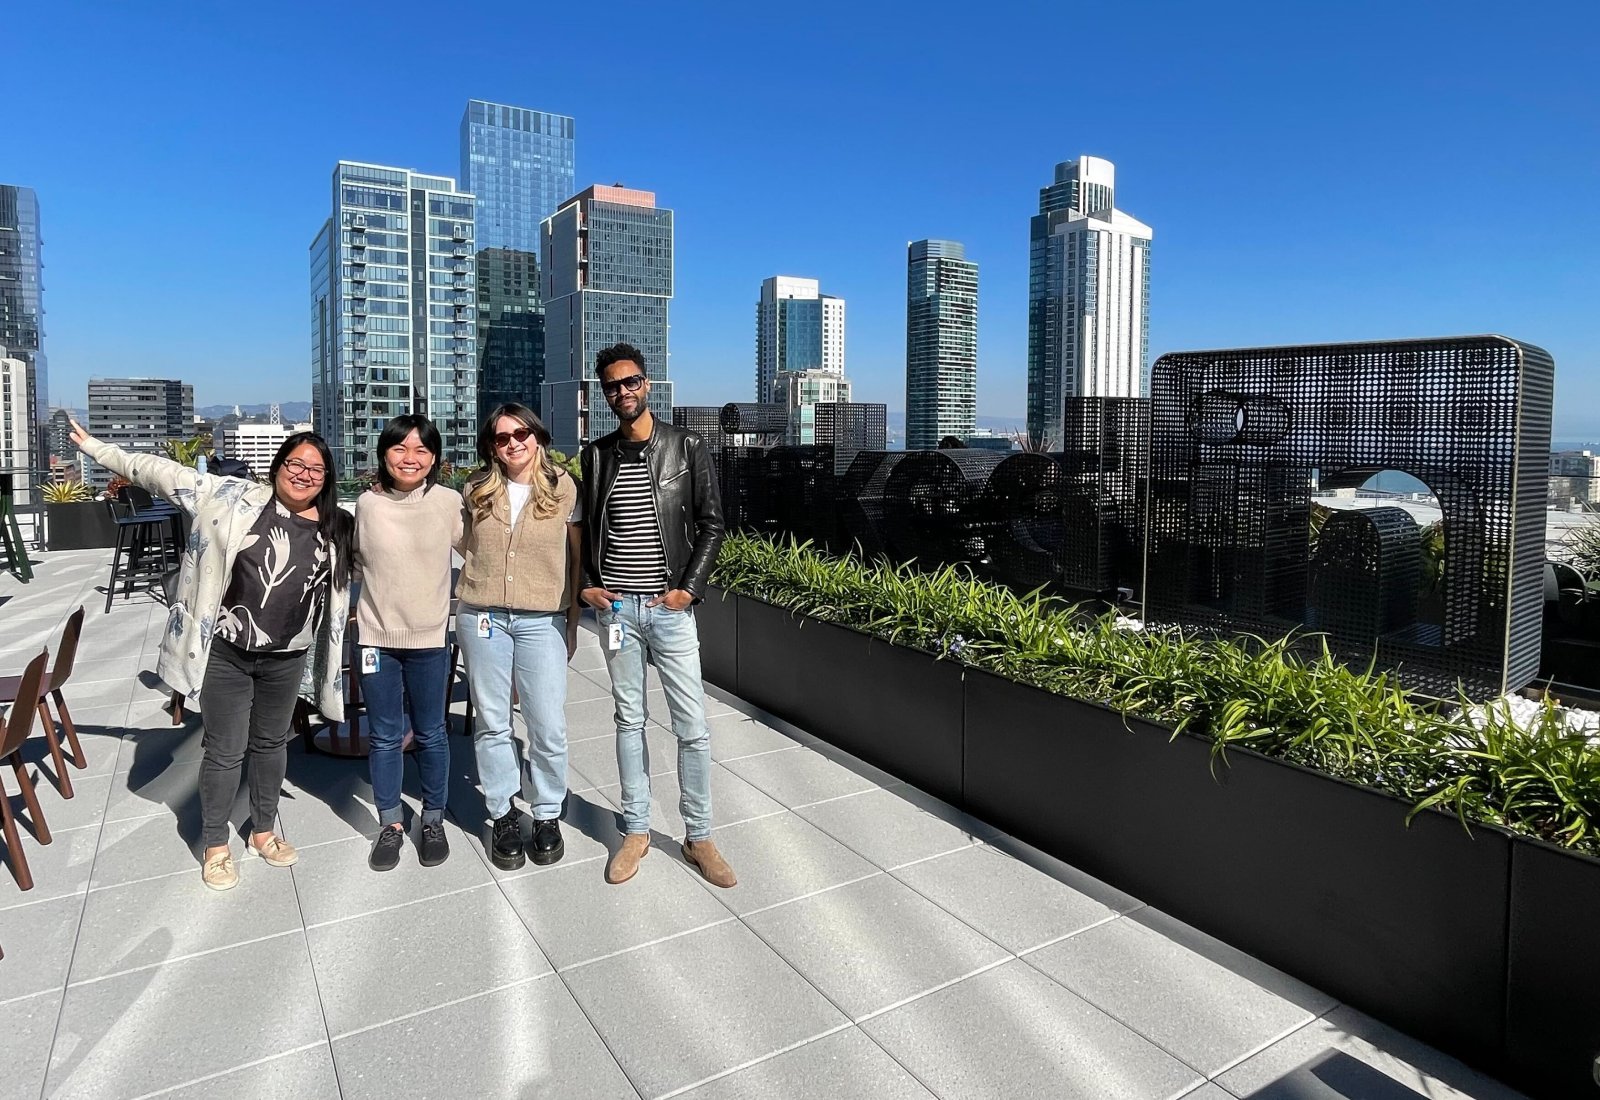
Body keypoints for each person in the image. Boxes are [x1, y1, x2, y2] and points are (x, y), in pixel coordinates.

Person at [69, 420, 352, 891]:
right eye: (295, 463)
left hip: (287, 656)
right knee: (224, 749)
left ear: (326, 479)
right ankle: (217, 845)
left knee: (270, 744)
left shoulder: (337, 525)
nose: (303, 474)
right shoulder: (229, 496)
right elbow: (153, 470)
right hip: (225, 651)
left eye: (316, 470)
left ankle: (263, 832)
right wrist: (96, 448)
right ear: (278, 466)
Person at [578, 343, 733, 887]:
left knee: (691, 725)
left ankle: (699, 835)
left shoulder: (687, 446)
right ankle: (637, 831)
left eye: (631, 382)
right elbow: (585, 532)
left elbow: (713, 525)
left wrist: (688, 591)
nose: (623, 392)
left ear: (648, 384)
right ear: (605, 394)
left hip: (668, 609)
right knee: (628, 720)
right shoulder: (596, 456)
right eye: (613, 386)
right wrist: (587, 588)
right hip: (618, 610)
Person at [455, 403, 582, 871]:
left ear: (538, 436)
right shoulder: (474, 489)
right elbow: (463, 544)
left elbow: (576, 557)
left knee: (546, 722)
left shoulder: (564, 489)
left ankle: (547, 811)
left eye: (521, 433)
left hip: (541, 620)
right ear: (492, 445)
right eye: (502, 436)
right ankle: (503, 812)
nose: (513, 443)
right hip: (482, 617)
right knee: (492, 721)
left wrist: (571, 623)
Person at [353, 414, 463, 871]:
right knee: (384, 737)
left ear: (434, 458)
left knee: (432, 733)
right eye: (400, 448)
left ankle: (433, 818)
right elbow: (354, 560)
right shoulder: (366, 504)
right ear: (384, 453)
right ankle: (391, 823)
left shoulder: (449, 502)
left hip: (430, 639)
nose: (410, 458)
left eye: (421, 450)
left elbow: (482, 547)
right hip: (375, 638)